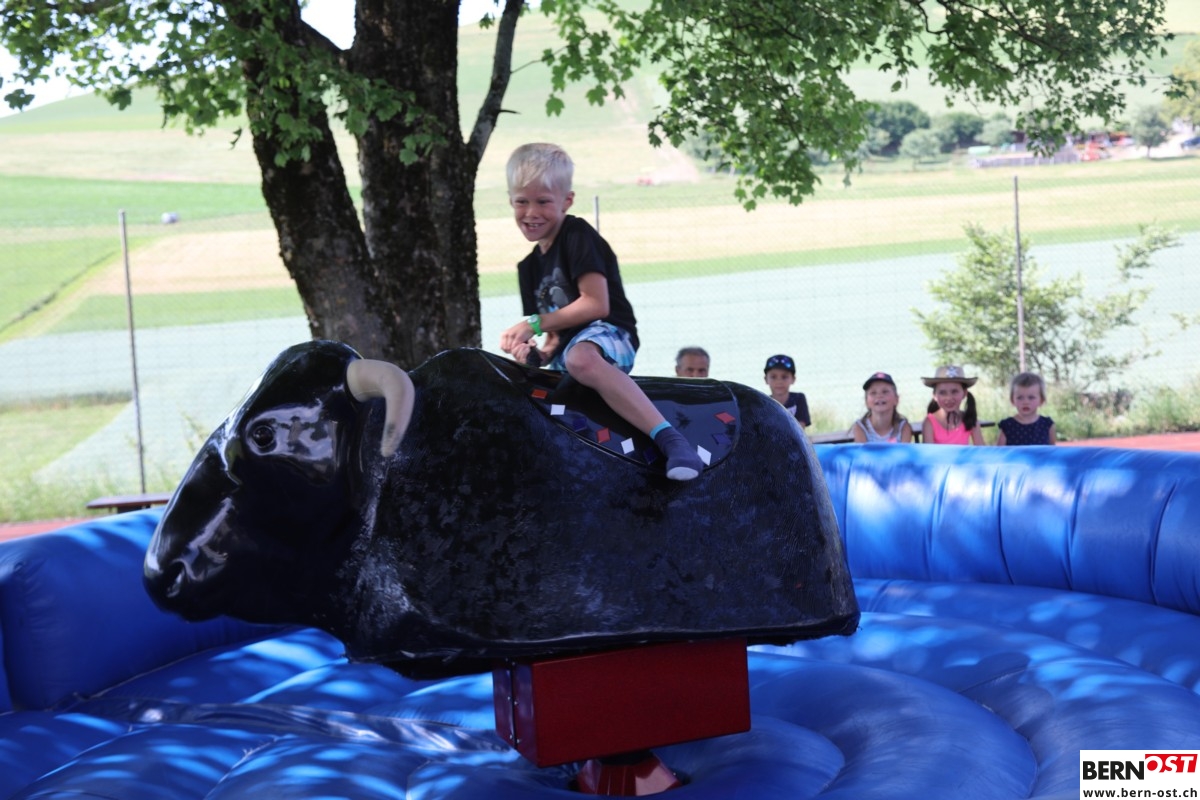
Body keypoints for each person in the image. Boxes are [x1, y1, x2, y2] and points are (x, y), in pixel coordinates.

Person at [498, 143, 704, 480]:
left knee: (581, 357)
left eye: (543, 202)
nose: (531, 212)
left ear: (567, 201)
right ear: (510, 201)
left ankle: (672, 440)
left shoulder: (577, 236)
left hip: (610, 334)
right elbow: (553, 339)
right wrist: (535, 355)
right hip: (569, 354)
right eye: (522, 201)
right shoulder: (528, 268)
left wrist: (533, 323)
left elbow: (596, 304)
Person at [921, 365, 984, 445]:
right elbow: (928, 452)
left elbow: (981, 449)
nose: (949, 398)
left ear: (964, 393)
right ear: (934, 396)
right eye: (942, 393)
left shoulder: (970, 419)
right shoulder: (929, 422)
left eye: (954, 391)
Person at [996, 372, 1057, 446]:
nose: (1025, 402)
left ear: (1041, 400)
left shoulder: (1047, 425)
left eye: (1031, 397)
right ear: (1012, 400)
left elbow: (1052, 450)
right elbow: (1000, 451)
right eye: (1020, 398)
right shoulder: (1007, 426)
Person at [852, 372, 912, 443]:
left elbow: (904, 450)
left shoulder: (903, 427)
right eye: (873, 393)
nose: (879, 396)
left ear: (896, 399)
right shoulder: (861, 427)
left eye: (885, 392)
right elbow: (861, 450)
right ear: (866, 402)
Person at [763, 354, 811, 428]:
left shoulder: (799, 399)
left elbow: (800, 429)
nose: (779, 381)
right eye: (773, 377)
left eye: (784, 377)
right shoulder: (764, 404)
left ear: (793, 379)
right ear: (766, 379)